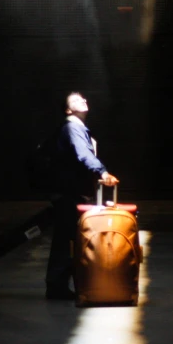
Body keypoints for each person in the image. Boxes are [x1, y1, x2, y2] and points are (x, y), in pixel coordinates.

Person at [44, 92, 119, 300]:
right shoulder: (72, 127)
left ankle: (59, 286)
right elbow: (82, 154)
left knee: (67, 239)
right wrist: (102, 172)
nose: (83, 101)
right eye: (76, 101)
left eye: (84, 99)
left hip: (68, 192)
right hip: (67, 194)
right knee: (67, 240)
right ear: (68, 110)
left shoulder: (77, 128)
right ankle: (57, 287)